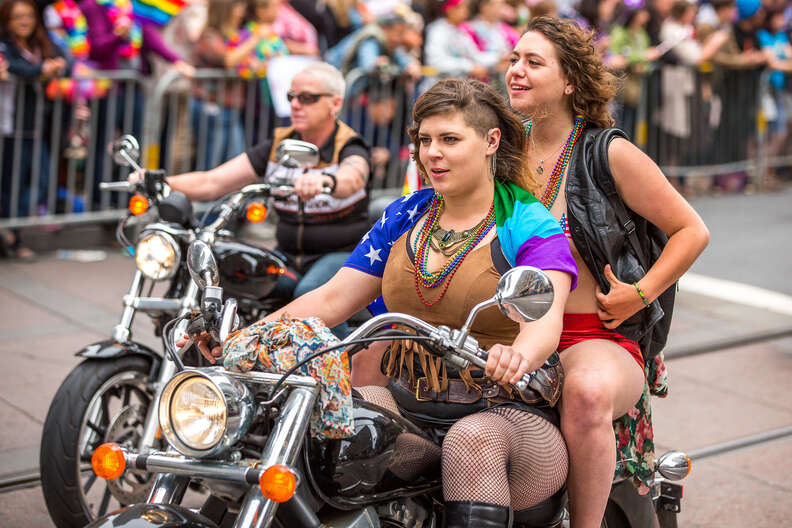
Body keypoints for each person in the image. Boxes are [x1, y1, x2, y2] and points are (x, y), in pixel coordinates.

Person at [200, 77, 579, 527]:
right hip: (408, 405)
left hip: (506, 415)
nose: (432, 153)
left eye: (450, 139)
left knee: (470, 442)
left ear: (490, 140)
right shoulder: (406, 214)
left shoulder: (528, 221)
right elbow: (333, 297)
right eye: (424, 140)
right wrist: (242, 339)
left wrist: (518, 354)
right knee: (325, 427)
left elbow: (545, 317)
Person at [506, 17, 709, 527]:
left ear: (571, 80)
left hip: (594, 337)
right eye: (513, 59)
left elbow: (691, 230)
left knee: (587, 393)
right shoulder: (501, 149)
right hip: (510, 332)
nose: (516, 71)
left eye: (533, 62)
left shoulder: (608, 151)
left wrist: (640, 293)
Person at [143, 62, 371, 337]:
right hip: (288, 255)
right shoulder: (278, 145)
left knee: (310, 293)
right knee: (234, 275)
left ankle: (344, 367)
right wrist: (157, 181)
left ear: (335, 104)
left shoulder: (349, 145)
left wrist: (327, 181)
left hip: (341, 255)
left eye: (307, 98)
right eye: (291, 97)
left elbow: (354, 176)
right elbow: (212, 181)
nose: (296, 104)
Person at [0, 0, 66, 259]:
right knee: (10, 185)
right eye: (18, 17)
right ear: (7, 20)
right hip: (10, 126)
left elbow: (65, 59)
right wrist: (41, 70)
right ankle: (12, 237)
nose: (24, 21)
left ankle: (12, 233)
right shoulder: (5, 44)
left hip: (35, 126)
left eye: (28, 16)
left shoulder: (41, 43)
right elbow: (16, 68)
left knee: (39, 181)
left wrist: (54, 67)